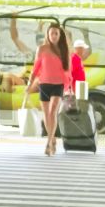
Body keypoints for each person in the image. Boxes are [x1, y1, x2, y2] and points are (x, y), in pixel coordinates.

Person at [25, 22, 71, 157]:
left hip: (58, 85)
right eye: (52, 33)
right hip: (44, 84)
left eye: (56, 33)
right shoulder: (42, 49)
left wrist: (69, 87)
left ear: (59, 35)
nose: (54, 36)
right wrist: (29, 84)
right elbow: (35, 69)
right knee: (46, 114)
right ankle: (53, 139)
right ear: (48, 35)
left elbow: (68, 70)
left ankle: (48, 142)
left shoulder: (64, 49)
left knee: (52, 112)